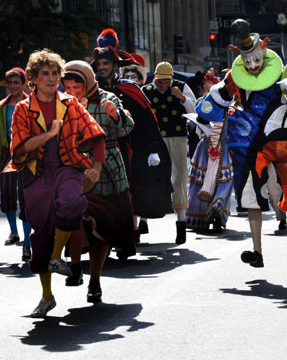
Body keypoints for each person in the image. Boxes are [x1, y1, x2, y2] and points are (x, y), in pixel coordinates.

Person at [196, 19, 287, 267]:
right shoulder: (235, 78)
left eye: (257, 58)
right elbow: (210, 106)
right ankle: (257, 251)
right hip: (253, 141)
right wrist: (219, 96)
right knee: (251, 193)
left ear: (264, 52)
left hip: (282, 136)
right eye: (247, 60)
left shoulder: (280, 72)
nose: (253, 65)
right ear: (240, 59)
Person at [6, 49, 106, 318]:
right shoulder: (22, 110)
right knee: (41, 235)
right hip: (36, 173)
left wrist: (96, 167)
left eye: (54, 73)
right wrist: (50, 133)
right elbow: (19, 148)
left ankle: (57, 256)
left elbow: (96, 135)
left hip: (68, 167)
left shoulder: (71, 103)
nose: (51, 78)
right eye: (45, 74)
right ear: (33, 79)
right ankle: (47, 297)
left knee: (72, 202)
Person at [60, 60, 135, 302]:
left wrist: (116, 116)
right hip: (72, 166)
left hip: (106, 170)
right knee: (74, 219)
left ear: (88, 81)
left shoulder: (108, 98)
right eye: (67, 86)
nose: (72, 91)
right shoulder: (60, 103)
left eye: (77, 86)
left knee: (101, 227)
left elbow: (127, 128)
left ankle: (95, 280)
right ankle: (75, 266)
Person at [92, 28, 172, 247]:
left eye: (105, 64)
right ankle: (103, 240)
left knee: (128, 193)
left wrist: (153, 149)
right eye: (99, 65)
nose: (102, 68)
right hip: (98, 150)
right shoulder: (92, 91)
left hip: (130, 150)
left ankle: (129, 237)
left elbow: (147, 122)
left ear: (115, 65)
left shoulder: (130, 89)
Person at [142, 61, 197, 244]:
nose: (164, 85)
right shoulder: (146, 90)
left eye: (167, 81)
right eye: (160, 82)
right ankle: (142, 220)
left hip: (177, 136)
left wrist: (182, 98)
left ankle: (181, 224)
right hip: (153, 138)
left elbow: (194, 111)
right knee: (149, 176)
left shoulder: (182, 87)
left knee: (179, 177)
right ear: (155, 78)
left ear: (172, 79)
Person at [0, 68, 32, 259]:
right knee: (7, 194)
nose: (13, 86)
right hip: (8, 154)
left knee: (26, 198)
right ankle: (13, 232)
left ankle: (27, 243)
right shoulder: (1, 106)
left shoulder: (32, 103)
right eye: (10, 83)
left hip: (27, 153)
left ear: (24, 84)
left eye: (17, 82)